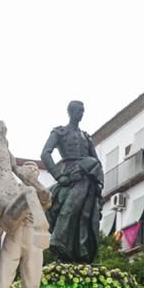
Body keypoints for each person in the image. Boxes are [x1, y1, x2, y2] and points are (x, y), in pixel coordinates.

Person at [40, 100, 103, 264]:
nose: (81, 114)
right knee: (68, 210)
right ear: (71, 112)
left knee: (85, 216)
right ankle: (61, 245)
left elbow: (95, 161)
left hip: (87, 177)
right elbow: (45, 154)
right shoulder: (59, 132)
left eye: (83, 111)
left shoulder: (86, 137)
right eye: (79, 111)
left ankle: (83, 252)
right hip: (69, 175)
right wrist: (58, 176)